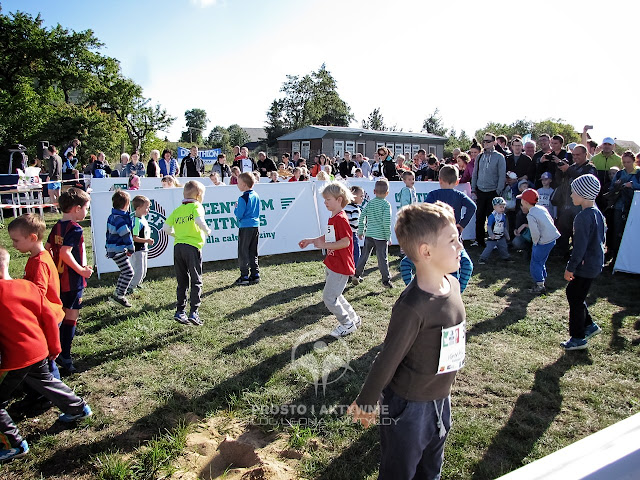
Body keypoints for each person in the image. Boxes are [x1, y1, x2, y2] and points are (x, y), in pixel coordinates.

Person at [348, 202, 465, 480]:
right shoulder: (412, 307)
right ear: (426, 251)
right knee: (399, 471)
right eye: (451, 240)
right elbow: (388, 357)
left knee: (431, 469)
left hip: (440, 398)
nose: (460, 245)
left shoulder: (454, 285)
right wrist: (366, 401)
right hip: (408, 408)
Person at [0, 248, 93, 464]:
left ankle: (13, 444)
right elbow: (49, 317)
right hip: (39, 348)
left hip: (14, 358)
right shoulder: (28, 287)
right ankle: (78, 408)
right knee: (44, 380)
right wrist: (54, 347)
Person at [299, 183, 360, 338]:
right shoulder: (333, 217)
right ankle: (353, 319)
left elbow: (346, 241)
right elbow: (330, 237)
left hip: (340, 266)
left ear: (339, 200)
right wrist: (312, 240)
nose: (325, 202)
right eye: (324, 199)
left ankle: (347, 323)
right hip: (333, 264)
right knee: (336, 295)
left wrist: (325, 245)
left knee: (329, 297)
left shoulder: (341, 219)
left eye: (328, 199)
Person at [8, 214, 65, 380]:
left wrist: (19, 291)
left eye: (16, 240)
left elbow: (38, 292)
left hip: (48, 317)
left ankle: (51, 392)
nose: (13, 245)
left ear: (32, 237)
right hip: (47, 315)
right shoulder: (38, 257)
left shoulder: (40, 262)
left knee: (46, 360)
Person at [44, 188, 93, 373]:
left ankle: (53, 353)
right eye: (86, 208)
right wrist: (81, 269)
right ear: (76, 208)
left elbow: (47, 248)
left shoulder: (57, 226)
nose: (86, 212)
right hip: (72, 281)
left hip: (58, 280)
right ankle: (64, 354)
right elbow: (65, 253)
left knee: (59, 316)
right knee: (71, 317)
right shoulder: (75, 228)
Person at [561, 174, 605, 350]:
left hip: (585, 265)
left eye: (574, 192)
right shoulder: (597, 213)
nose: (571, 195)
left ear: (583, 194)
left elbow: (579, 247)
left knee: (575, 297)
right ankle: (589, 325)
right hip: (594, 263)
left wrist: (570, 268)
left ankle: (578, 337)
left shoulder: (583, 217)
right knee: (576, 294)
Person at [162, 181, 211, 326]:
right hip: (192, 246)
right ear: (199, 195)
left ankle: (180, 311)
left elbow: (165, 228)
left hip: (178, 247)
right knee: (196, 280)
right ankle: (194, 313)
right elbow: (199, 220)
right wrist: (207, 230)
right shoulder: (197, 206)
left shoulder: (177, 210)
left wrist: (177, 235)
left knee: (182, 281)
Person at [554, 145, 597, 257]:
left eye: (578, 155)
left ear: (585, 154)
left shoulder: (590, 168)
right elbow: (559, 181)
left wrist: (568, 169)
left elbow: (586, 182)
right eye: (573, 155)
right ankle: (562, 252)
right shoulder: (572, 166)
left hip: (581, 205)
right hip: (567, 202)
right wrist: (560, 169)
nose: (575, 157)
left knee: (578, 231)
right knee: (563, 228)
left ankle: (578, 254)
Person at [517, 189, 560, 294]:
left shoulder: (531, 215)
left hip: (543, 241)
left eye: (522, 199)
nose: (521, 201)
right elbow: (551, 220)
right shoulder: (541, 208)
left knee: (535, 263)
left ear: (526, 202)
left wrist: (535, 243)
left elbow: (535, 233)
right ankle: (543, 278)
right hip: (552, 239)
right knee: (541, 261)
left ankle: (539, 285)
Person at [352, 180, 393, 288]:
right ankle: (386, 281)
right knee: (382, 258)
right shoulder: (386, 205)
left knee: (364, 256)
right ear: (387, 193)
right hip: (381, 236)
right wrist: (388, 236)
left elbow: (362, 217)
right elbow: (386, 222)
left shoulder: (370, 203)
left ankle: (356, 274)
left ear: (374, 191)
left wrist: (361, 230)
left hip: (369, 234)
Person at [471, 133, 506, 248]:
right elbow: (475, 173)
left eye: (488, 141)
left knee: (493, 217)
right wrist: (473, 189)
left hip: (493, 192)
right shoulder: (480, 156)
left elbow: (502, 175)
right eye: (484, 141)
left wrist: (498, 191)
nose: (485, 143)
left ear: (494, 142)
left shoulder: (499, 157)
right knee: (479, 217)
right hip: (481, 191)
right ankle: (479, 240)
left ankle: (494, 241)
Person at [607, 151, 640, 262]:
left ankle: (630, 259)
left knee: (632, 233)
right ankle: (615, 258)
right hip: (619, 206)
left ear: (634, 161)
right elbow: (611, 188)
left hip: (634, 207)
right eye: (624, 162)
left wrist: (633, 185)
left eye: (629, 162)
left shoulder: (638, 173)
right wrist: (617, 185)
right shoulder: (620, 173)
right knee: (617, 232)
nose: (626, 164)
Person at [106, 190, 135, 307]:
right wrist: (131, 248)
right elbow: (126, 235)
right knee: (129, 272)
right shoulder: (121, 220)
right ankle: (119, 295)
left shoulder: (112, 216)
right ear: (126, 205)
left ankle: (117, 293)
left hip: (113, 248)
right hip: (118, 249)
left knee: (124, 271)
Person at [233, 173, 261, 286]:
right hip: (255, 225)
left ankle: (244, 275)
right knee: (252, 250)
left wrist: (235, 208)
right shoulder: (256, 195)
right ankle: (255, 273)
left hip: (245, 226)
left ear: (244, 185)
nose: (237, 185)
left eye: (238, 183)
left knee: (243, 251)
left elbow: (239, 214)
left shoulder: (243, 198)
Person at [129, 195, 154, 292]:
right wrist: (146, 240)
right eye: (146, 207)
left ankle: (138, 283)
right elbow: (134, 238)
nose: (148, 210)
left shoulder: (142, 219)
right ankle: (131, 286)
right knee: (138, 270)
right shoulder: (136, 221)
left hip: (143, 249)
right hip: (137, 249)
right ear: (138, 208)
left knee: (144, 269)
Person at [478, 197, 512, 265]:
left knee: (503, 246)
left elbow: (504, 227)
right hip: (493, 236)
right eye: (500, 207)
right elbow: (489, 226)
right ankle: (482, 258)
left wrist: (507, 235)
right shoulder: (492, 216)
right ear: (494, 207)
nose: (502, 209)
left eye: (503, 207)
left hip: (501, 236)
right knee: (489, 248)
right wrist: (491, 234)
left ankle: (506, 257)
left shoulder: (503, 216)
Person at [344, 185, 365, 272]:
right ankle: (354, 271)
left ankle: (346, 269)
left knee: (347, 253)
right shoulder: (356, 208)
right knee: (356, 253)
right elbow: (356, 221)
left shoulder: (344, 206)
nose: (363, 198)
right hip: (352, 234)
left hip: (344, 234)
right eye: (361, 196)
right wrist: (361, 230)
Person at [46, 145, 63, 211]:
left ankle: (54, 207)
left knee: (51, 193)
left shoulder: (52, 158)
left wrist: (49, 176)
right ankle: (60, 206)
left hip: (53, 178)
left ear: (49, 151)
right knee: (58, 194)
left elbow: (53, 168)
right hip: (59, 177)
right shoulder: (59, 157)